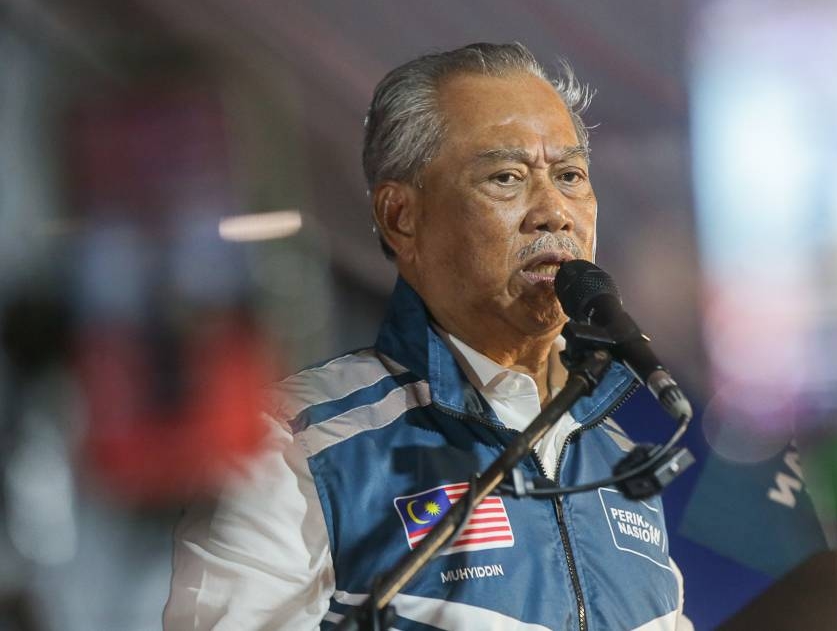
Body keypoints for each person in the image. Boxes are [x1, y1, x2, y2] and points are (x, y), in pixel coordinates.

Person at [164, 42, 688, 630]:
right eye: (507, 177)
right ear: (401, 217)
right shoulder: (291, 447)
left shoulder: (620, 463)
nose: (555, 213)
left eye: (569, 176)